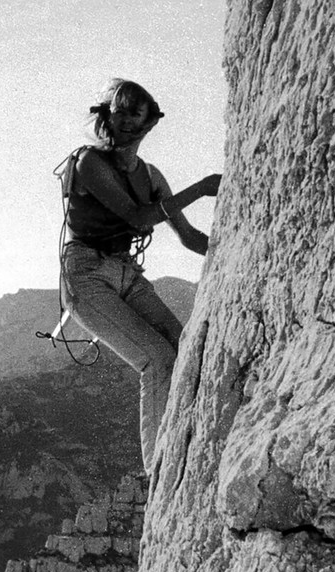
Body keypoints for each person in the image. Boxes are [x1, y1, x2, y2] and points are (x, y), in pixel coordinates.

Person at [60, 78, 221, 470]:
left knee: (180, 346)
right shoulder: (89, 163)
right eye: (122, 114)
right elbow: (137, 215)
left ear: (149, 124)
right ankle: (158, 472)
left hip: (124, 272)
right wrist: (200, 188)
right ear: (108, 118)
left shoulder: (150, 176)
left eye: (137, 117)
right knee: (157, 358)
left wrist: (229, 247)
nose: (128, 124)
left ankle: (178, 448)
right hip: (85, 275)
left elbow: (188, 237)